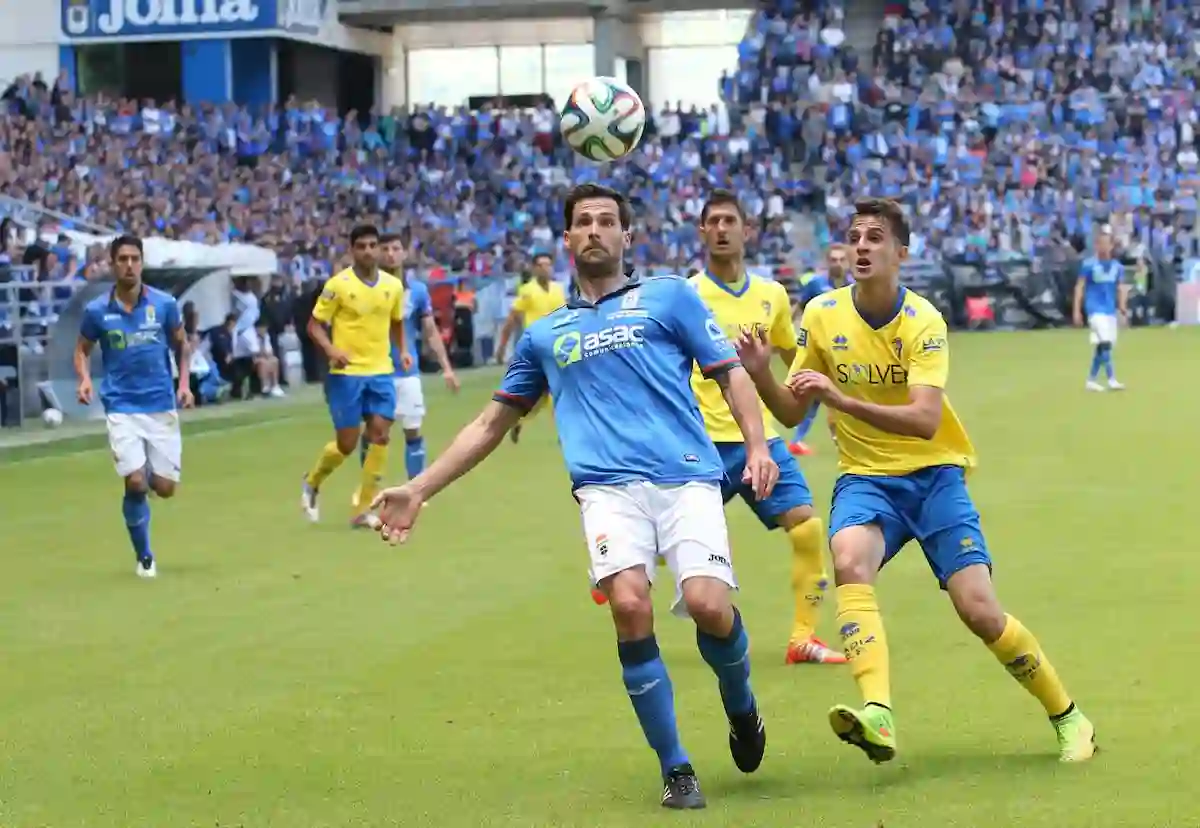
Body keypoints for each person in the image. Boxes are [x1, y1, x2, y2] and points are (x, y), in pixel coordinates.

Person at [371, 183, 779, 809]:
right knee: (630, 606)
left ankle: (742, 705)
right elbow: (489, 424)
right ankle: (677, 769)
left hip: (688, 477)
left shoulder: (669, 297)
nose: (594, 230)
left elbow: (729, 375)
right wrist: (420, 488)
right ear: (567, 239)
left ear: (626, 236)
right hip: (606, 493)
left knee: (706, 605)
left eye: (606, 221)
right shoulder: (545, 336)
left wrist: (756, 447)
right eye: (582, 222)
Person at [736, 198, 1096, 764]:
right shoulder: (822, 315)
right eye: (854, 235)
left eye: (875, 237)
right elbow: (788, 409)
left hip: (934, 479)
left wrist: (838, 398)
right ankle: (877, 714)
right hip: (867, 480)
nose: (861, 245)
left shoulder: (924, 319)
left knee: (980, 611)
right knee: (849, 556)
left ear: (901, 253)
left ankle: (1069, 716)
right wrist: (760, 371)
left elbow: (926, 419)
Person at [684, 189, 845, 665]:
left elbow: (799, 361)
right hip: (700, 441)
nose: (720, 229)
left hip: (760, 439)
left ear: (747, 230)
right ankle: (614, 558)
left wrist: (831, 404)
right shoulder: (686, 295)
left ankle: (803, 638)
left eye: (729, 220)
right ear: (701, 232)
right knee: (668, 541)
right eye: (711, 221)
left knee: (807, 527)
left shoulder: (772, 296)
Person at [74, 235, 194, 578]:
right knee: (136, 482)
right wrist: (84, 379)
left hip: (160, 404)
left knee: (165, 489)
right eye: (122, 259)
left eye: (135, 258)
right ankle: (145, 557)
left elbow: (182, 345)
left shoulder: (165, 304)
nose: (129, 265)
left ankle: (144, 486)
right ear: (112, 264)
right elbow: (81, 349)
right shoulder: (97, 311)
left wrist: (184, 384)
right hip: (121, 406)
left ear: (142, 263)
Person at [300, 225, 411, 528]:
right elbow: (314, 326)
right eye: (361, 246)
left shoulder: (393, 286)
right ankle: (312, 481)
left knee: (381, 434)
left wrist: (401, 350)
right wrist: (331, 350)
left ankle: (363, 508)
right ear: (352, 250)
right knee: (347, 444)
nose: (368, 251)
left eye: (373, 245)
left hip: (381, 370)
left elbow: (397, 321)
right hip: (346, 373)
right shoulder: (338, 285)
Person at [353, 233, 459, 509]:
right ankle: (367, 494)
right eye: (384, 248)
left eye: (395, 248)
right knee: (375, 434)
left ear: (404, 253)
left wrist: (446, 368)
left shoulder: (418, 291)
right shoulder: (364, 289)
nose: (389, 253)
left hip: (407, 372)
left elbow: (430, 331)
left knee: (412, 430)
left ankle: (415, 491)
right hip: (376, 371)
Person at [494, 252, 567, 444]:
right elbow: (512, 319)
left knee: (545, 395)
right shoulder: (527, 291)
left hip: (558, 347)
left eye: (548, 265)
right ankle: (565, 434)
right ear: (534, 269)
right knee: (553, 390)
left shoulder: (558, 290)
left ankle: (520, 421)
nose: (545, 268)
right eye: (541, 265)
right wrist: (502, 346)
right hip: (536, 348)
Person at [788, 243, 849, 456]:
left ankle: (842, 438)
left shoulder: (854, 285)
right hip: (820, 350)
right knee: (818, 396)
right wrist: (787, 328)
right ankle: (800, 440)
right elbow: (799, 305)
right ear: (827, 262)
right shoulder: (816, 284)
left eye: (842, 260)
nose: (838, 264)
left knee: (846, 394)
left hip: (848, 350)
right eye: (834, 260)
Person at [1072, 230, 1128, 392]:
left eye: (1106, 243)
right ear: (1096, 245)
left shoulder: (1118, 267)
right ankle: (1111, 379)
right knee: (1105, 343)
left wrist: (1122, 307)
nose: (1103, 246)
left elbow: (1120, 288)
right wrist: (1077, 310)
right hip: (1094, 310)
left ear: (1111, 246)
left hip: (1110, 311)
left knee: (1102, 346)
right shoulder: (1088, 265)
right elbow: (1079, 287)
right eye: (1100, 243)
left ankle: (1091, 380)